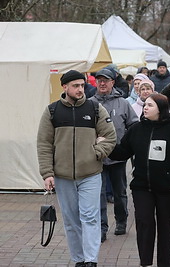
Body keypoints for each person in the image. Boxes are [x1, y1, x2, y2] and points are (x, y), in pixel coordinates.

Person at [37, 70, 117, 267]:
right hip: (63, 176)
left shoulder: (95, 108)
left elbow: (111, 136)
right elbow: (44, 144)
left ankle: (91, 260)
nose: (81, 89)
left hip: (90, 174)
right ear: (65, 87)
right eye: (76, 86)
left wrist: (95, 152)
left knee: (90, 217)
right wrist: (47, 173)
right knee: (71, 221)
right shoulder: (52, 111)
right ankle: (79, 259)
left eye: (82, 85)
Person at [108, 93, 170, 267]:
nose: (145, 108)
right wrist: (106, 145)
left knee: (166, 227)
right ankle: (145, 262)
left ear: (161, 109)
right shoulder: (137, 129)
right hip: (141, 187)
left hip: (167, 189)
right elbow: (123, 152)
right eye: (145, 105)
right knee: (144, 222)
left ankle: (164, 263)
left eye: (150, 105)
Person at [90, 68, 138, 243]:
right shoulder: (89, 103)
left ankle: (121, 221)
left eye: (106, 80)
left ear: (112, 82)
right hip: (97, 157)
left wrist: (126, 143)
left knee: (119, 193)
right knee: (99, 194)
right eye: (99, 80)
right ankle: (102, 227)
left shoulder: (123, 103)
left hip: (118, 156)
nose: (102, 83)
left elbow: (134, 124)